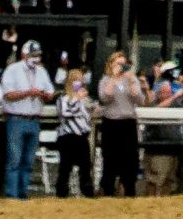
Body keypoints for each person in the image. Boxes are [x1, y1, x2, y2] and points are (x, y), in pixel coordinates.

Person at [0, 41, 55, 199]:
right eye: (33, 55)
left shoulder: (42, 71)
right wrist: (28, 93)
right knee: (14, 160)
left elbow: (50, 92)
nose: (36, 58)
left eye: (38, 55)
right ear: (24, 55)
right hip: (16, 119)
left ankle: (23, 194)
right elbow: (7, 94)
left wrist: (44, 94)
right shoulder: (12, 70)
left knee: (28, 161)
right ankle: (12, 195)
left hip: (34, 119)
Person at [94, 51, 143, 197]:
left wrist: (132, 80)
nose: (122, 67)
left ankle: (129, 191)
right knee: (110, 158)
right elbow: (104, 98)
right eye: (118, 64)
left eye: (124, 64)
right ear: (111, 64)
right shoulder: (105, 80)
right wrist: (114, 78)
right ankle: (108, 191)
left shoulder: (132, 79)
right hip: (111, 123)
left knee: (130, 160)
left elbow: (139, 99)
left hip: (128, 123)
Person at [53, 71, 95, 198]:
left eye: (81, 80)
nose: (79, 83)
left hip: (82, 136)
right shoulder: (63, 98)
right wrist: (76, 99)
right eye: (76, 80)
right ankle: (62, 193)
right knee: (65, 167)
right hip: (68, 136)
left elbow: (88, 114)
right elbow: (66, 113)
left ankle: (87, 192)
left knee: (85, 166)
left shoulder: (84, 99)